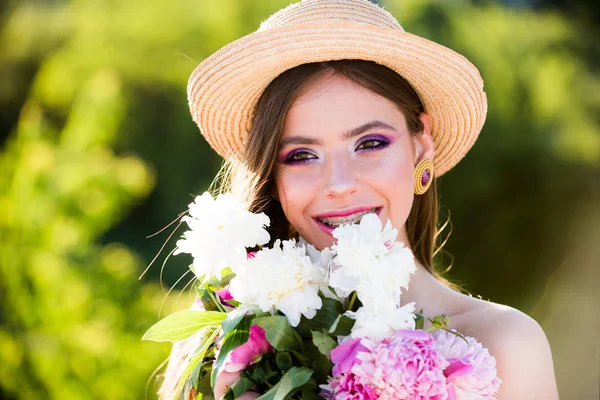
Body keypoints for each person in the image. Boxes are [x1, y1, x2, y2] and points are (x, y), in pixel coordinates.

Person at [158, 0, 559, 399]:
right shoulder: (224, 339)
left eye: (369, 143)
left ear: (420, 145)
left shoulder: (504, 346)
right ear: (272, 174)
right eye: (301, 155)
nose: (339, 183)